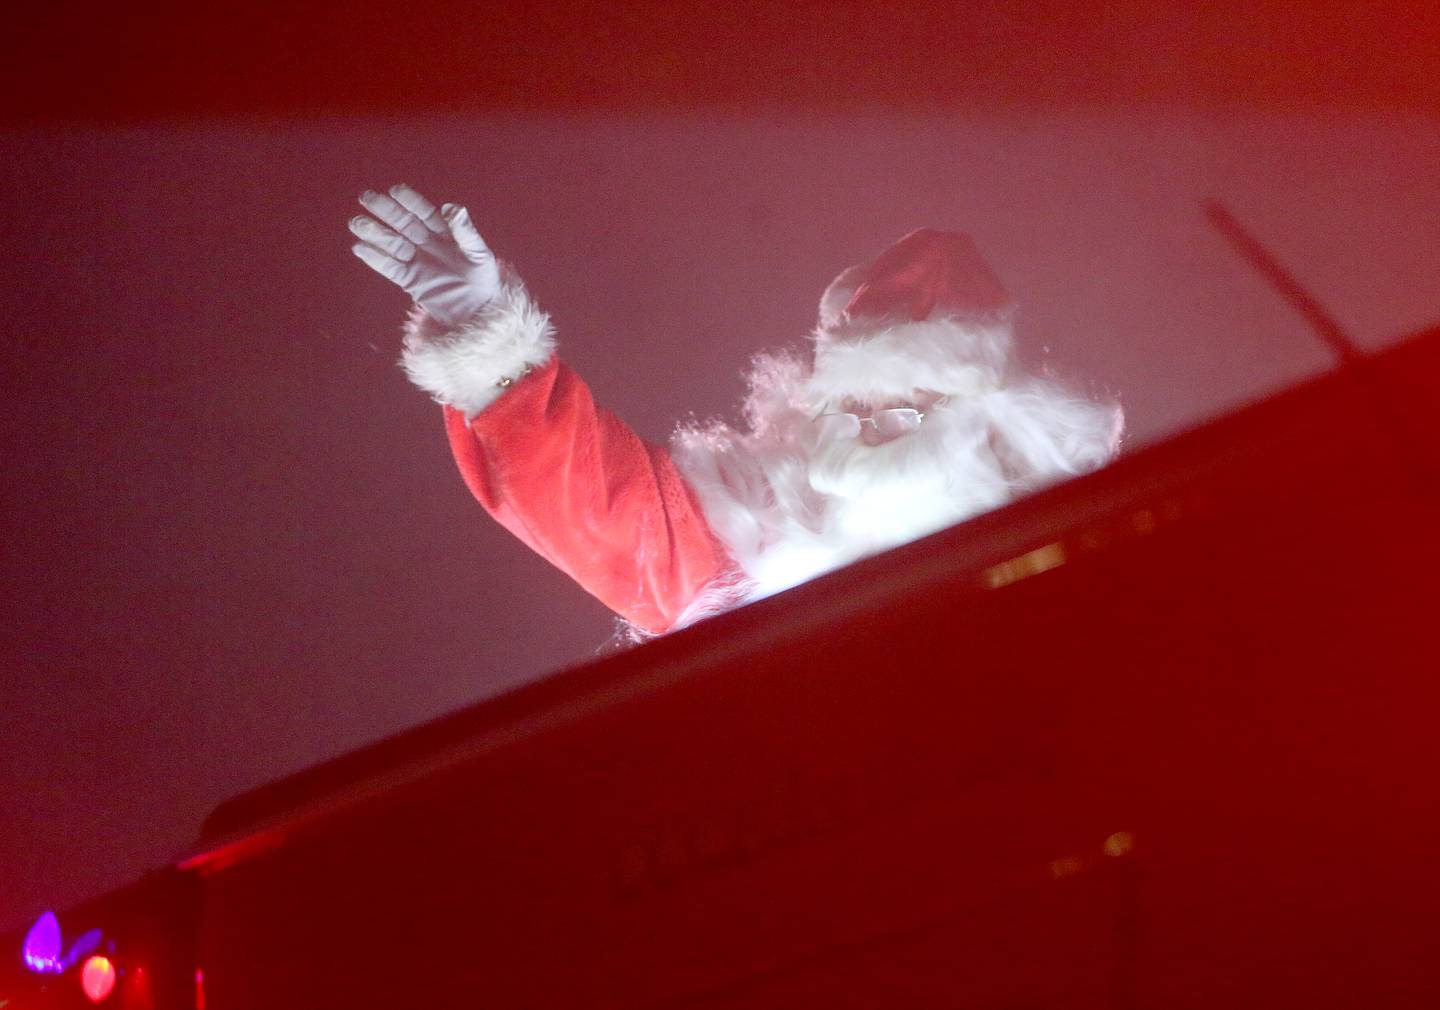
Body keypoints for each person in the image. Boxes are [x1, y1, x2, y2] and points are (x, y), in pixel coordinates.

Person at [349, 184, 1121, 637]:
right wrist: (487, 336)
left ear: (975, 413)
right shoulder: (756, 540)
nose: (867, 420)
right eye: (851, 399)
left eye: (909, 407)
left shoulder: (1077, 556)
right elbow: (599, 509)